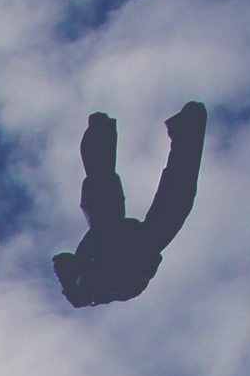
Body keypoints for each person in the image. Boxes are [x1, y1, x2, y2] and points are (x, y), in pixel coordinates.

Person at [52, 101, 205, 308]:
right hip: (136, 253)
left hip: (122, 253)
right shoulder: (96, 286)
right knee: (176, 203)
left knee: (109, 199)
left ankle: (103, 131)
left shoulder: (87, 282)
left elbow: (66, 259)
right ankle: (188, 131)